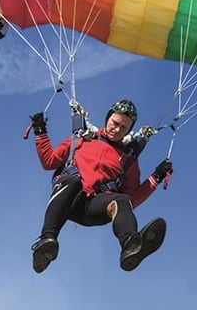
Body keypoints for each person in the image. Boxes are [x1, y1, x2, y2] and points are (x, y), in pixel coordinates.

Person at [29, 99, 173, 273]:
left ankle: (131, 245)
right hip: (67, 198)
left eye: (124, 128)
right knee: (72, 181)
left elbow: (131, 199)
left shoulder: (128, 159)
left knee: (121, 200)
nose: (117, 129)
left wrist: (156, 177)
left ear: (129, 130)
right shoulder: (82, 139)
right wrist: (40, 131)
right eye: (115, 123)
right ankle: (46, 243)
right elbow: (49, 161)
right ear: (107, 119)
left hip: (94, 208)